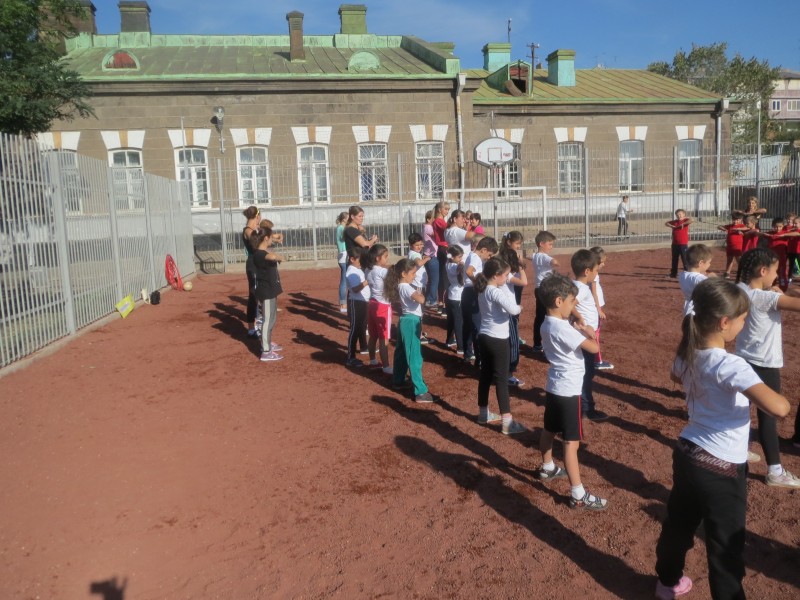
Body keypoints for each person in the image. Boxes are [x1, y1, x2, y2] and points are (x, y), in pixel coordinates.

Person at [654, 278, 789, 600]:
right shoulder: (731, 364)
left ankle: (667, 582)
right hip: (722, 467)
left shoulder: (687, 352)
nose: (744, 325)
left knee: (679, 524)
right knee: (725, 546)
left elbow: (675, 374)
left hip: (688, 453)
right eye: (743, 319)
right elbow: (779, 408)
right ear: (725, 322)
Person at [536, 273, 607, 511]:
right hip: (569, 390)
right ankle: (578, 493)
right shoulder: (564, 329)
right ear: (559, 301)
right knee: (571, 442)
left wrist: (574, 325)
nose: (574, 306)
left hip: (554, 387)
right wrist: (587, 329)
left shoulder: (547, 323)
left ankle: (547, 467)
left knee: (549, 429)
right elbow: (594, 348)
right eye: (571, 302)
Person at [734, 247, 800, 488]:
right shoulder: (765, 298)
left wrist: (775, 291)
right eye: (775, 271)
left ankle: (738, 452)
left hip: (743, 359)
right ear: (763, 271)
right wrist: (786, 292)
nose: (776, 276)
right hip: (765, 364)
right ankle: (775, 471)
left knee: (740, 410)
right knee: (768, 416)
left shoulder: (740, 290)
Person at [474, 257, 525, 434]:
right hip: (498, 339)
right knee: (502, 379)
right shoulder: (495, 291)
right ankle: (507, 423)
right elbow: (513, 310)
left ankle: (483, 414)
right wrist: (520, 307)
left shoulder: (482, 288)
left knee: (485, 375)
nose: (508, 278)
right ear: (496, 275)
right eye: (506, 275)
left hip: (484, 337)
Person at [385, 258, 434, 403]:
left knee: (401, 353)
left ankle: (398, 380)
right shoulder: (406, 287)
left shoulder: (402, 285)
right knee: (414, 356)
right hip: (411, 321)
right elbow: (421, 300)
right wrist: (420, 293)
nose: (414, 275)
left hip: (406, 320)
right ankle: (420, 391)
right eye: (412, 273)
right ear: (403, 274)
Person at [570, 249, 606, 421]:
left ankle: (582, 404)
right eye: (596, 270)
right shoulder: (582, 289)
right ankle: (586, 408)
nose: (597, 273)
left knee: (585, 371)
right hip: (584, 336)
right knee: (586, 373)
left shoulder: (576, 285)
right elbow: (570, 305)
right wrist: (580, 319)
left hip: (583, 335)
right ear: (587, 271)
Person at [461, 235, 498, 367]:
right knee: (478, 326)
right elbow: (469, 271)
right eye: (489, 255)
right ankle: (479, 358)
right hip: (472, 293)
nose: (489, 258)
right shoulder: (476, 258)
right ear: (483, 250)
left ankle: (468, 354)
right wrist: (478, 283)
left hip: (466, 293)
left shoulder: (471, 255)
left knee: (468, 325)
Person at [251, 225, 284, 362]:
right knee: (267, 320)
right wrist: (279, 257)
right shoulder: (260, 254)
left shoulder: (263, 252)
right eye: (270, 238)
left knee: (272, 319)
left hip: (271, 290)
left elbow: (271, 256)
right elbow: (271, 256)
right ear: (265, 238)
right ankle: (266, 351)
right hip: (266, 291)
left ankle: (268, 343)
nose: (271, 240)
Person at [499, 231, 527, 386]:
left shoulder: (499, 273)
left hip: (503, 309)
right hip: (508, 310)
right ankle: (508, 373)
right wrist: (520, 267)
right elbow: (524, 282)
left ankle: (502, 371)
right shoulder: (507, 276)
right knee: (513, 341)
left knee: (504, 340)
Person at [364, 244, 392, 375]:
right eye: (385, 257)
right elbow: (394, 280)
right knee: (383, 338)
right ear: (377, 258)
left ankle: (373, 361)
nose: (387, 259)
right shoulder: (382, 271)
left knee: (373, 335)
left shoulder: (367, 270)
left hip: (372, 303)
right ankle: (386, 366)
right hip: (383, 306)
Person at [532, 230, 559, 352]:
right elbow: (553, 261)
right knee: (550, 316)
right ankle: (549, 344)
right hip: (546, 290)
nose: (551, 247)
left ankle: (537, 343)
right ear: (541, 244)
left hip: (538, 289)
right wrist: (555, 262)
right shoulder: (544, 257)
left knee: (540, 317)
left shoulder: (535, 256)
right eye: (550, 244)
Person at [345, 247, 370, 367]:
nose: (362, 262)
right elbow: (355, 289)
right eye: (360, 260)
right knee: (354, 329)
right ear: (352, 259)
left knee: (362, 326)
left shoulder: (357, 269)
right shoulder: (351, 271)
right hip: (356, 303)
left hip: (363, 301)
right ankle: (350, 357)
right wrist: (367, 281)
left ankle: (363, 347)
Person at [589, 247, 612, 370]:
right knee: (595, 333)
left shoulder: (591, 273)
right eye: (602, 262)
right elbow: (594, 293)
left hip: (594, 306)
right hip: (595, 307)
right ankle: (597, 360)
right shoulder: (593, 275)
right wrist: (599, 310)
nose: (604, 264)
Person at [408, 232, 432, 344]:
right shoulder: (414, 254)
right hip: (417, 286)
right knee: (419, 311)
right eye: (417, 245)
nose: (420, 247)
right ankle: (419, 334)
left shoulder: (414, 253)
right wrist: (426, 259)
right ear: (411, 245)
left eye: (421, 244)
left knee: (418, 310)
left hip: (419, 284)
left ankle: (418, 331)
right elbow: (419, 263)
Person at [678, 244, 714, 316]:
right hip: (699, 310)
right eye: (709, 262)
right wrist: (714, 278)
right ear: (701, 263)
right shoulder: (700, 278)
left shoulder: (682, 275)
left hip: (688, 308)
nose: (709, 265)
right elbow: (716, 289)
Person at [242, 206, 261, 337]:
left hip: (258, 263)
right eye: (259, 217)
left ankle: (258, 324)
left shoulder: (255, 230)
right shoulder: (248, 231)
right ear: (257, 217)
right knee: (253, 295)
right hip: (253, 264)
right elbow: (256, 243)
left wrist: (274, 237)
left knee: (260, 294)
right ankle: (251, 329)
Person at [444, 245, 465, 354]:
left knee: (452, 320)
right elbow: (459, 268)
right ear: (452, 257)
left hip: (452, 295)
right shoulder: (453, 266)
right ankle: (461, 346)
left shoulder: (449, 263)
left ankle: (449, 340)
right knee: (458, 321)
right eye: (459, 257)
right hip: (457, 297)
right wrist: (463, 264)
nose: (461, 259)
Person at [432, 201, 451, 310]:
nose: (447, 211)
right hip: (443, 249)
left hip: (443, 249)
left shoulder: (440, 221)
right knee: (445, 276)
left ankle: (441, 302)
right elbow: (449, 228)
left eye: (448, 209)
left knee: (444, 275)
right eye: (446, 209)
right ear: (439, 210)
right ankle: (442, 303)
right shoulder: (439, 221)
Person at [764, 217, 791, 288]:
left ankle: (783, 286)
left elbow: (797, 233)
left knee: (782, 272)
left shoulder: (785, 233)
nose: (778, 228)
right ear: (772, 226)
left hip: (781, 258)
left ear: (783, 226)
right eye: (776, 227)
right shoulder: (770, 233)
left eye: (780, 226)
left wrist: (784, 235)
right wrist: (766, 235)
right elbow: (758, 233)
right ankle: (771, 285)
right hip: (771, 258)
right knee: (771, 271)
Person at [717, 214, 747, 279]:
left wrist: (738, 229)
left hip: (737, 246)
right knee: (729, 260)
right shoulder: (730, 226)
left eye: (737, 220)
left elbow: (747, 228)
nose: (735, 221)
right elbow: (719, 226)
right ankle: (727, 273)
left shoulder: (741, 226)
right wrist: (724, 229)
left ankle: (743, 273)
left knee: (739, 260)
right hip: (729, 246)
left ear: (740, 220)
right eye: (734, 220)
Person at [666, 209, 693, 278]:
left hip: (683, 244)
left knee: (685, 259)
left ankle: (687, 274)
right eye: (677, 215)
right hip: (675, 244)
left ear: (684, 214)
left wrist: (683, 224)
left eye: (680, 214)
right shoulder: (675, 222)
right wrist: (671, 226)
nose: (679, 216)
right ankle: (673, 274)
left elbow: (691, 220)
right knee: (674, 259)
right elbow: (666, 223)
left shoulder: (685, 221)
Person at [421, 210, 439, 308]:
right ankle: (432, 300)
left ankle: (428, 298)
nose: (435, 220)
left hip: (429, 255)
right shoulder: (428, 227)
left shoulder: (426, 227)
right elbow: (437, 235)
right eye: (433, 218)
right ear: (428, 219)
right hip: (432, 256)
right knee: (434, 280)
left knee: (431, 280)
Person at [335, 211, 349, 313]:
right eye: (348, 218)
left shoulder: (340, 227)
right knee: (344, 280)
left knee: (345, 279)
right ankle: (343, 304)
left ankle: (344, 303)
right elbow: (342, 238)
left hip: (343, 254)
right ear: (344, 219)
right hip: (344, 254)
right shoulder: (341, 228)